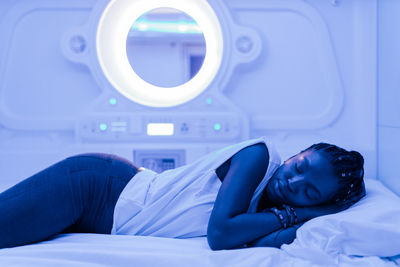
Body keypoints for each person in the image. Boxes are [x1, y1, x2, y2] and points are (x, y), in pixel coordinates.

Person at [0, 136, 365, 250]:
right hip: (93, 189)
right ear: (297, 153)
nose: (294, 182)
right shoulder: (260, 156)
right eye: (299, 166)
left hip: (101, 216)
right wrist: (306, 212)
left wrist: (312, 217)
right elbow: (220, 235)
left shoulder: (267, 211)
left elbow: (267, 243)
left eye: (309, 192)